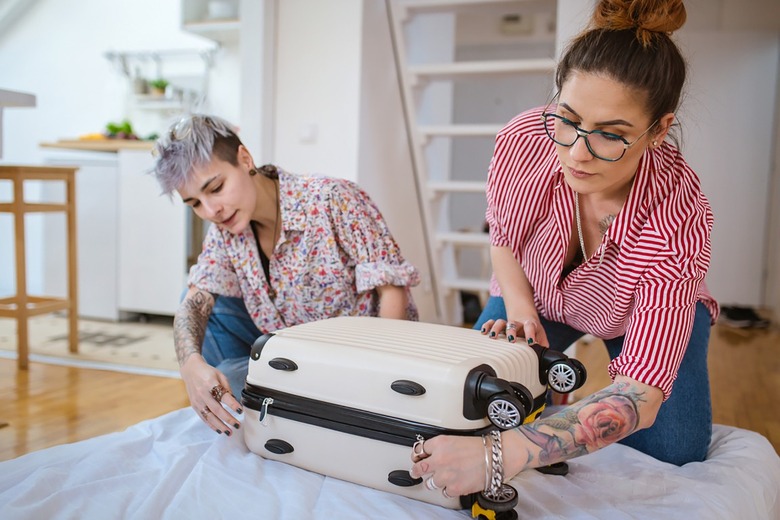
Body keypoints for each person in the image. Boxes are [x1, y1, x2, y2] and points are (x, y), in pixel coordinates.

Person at [410, 0, 720, 501]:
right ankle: (550, 389)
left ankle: (554, 396)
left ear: (657, 131)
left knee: (676, 448)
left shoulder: (679, 210)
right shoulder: (524, 138)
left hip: (634, 311)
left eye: (611, 136)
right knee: (465, 398)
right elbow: (505, 236)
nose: (577, 152)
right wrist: (519, 308)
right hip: (535, 292)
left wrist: (503, 454)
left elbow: (640, 391)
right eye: (569, 119)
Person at [152, 114, 420, 437]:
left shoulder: (332, 199)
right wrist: (189, 366)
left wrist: (377, 381)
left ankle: (280, 411)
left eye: (217, 188)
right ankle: (279, 407)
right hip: (290, 367)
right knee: (199, 308)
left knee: (238, 389)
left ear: (245, 159)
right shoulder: (225, 234)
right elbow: (194, 304)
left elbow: (392, 293)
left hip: (358, 369)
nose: (212, 211)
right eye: (195, 203)